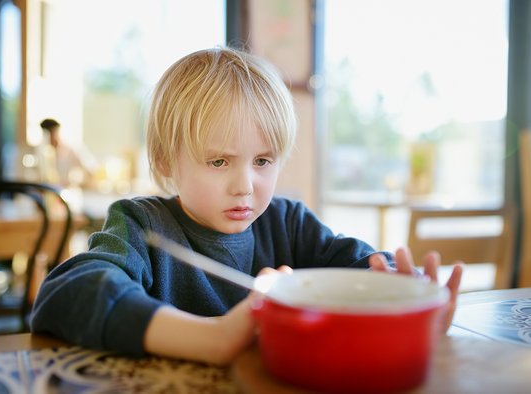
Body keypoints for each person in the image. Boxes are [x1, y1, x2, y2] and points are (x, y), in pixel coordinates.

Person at [30, 47, 462, 365]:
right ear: (165, 161)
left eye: (262, 161)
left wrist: (403, 298)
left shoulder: (287, 223)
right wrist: (212, 338)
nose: (245, 186)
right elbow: (66, 294)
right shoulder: (143, 224)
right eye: (219, 162)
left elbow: (355, 264)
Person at [39, 118, 97, 187]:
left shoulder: (71, 150)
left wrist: (77, 182)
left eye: (54, 133)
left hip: (67, 192)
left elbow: (91, 170)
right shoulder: (45, 153)